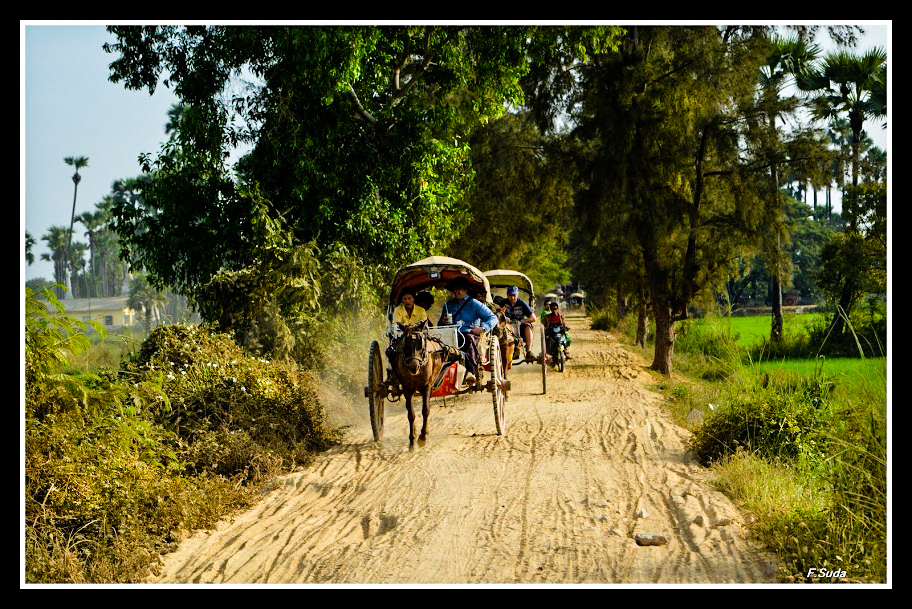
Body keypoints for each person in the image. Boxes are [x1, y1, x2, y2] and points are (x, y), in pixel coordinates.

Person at [438, 277, 498, 386]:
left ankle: (470, 372)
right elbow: (439, 325)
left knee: (468, 339)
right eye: (454, 289)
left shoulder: (474, 304)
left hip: (469, 334)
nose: (456, 291)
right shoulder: (448, 305)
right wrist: (443, 321)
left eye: (459, 288)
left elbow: (493, 318)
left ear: (466, 290)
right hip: (450, 334)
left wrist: (483, 328)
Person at [503, 286, 537, 362]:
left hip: (520, 326)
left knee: (528, 326)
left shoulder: (522, 304)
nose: (512, 298)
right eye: (510, 296)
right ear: (507, 296)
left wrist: (523, 321)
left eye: (514, 295)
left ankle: (529, 352)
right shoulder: (503, 303)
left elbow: (533, 318)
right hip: (507, 326)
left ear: (517, 295)